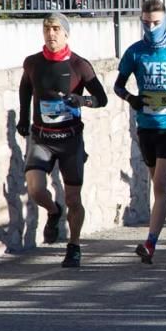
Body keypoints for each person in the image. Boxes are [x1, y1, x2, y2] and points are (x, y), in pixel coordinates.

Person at [17, 13, 106, 267]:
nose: (51, 34)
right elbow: (25, 87)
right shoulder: (32, 63)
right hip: (41, 137)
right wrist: (23, 117)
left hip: (70, 140)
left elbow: (102, 98)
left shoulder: (79, 65)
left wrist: (84, 100)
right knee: (35, 189)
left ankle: (74, 246)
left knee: (73, 199)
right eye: (47, 29)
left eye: (56, 29)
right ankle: (53, 211)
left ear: (66, 33)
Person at [115, 0, 166, 264]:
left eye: (156, 23)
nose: (151, 27)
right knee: (160, 184)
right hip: (147, 125)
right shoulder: (135, 53)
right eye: (146, 22)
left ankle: (150, 243)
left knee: (159, 183)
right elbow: (118, 86)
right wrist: (132, 99)